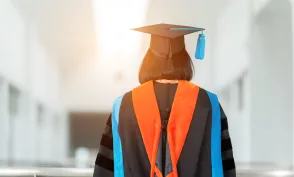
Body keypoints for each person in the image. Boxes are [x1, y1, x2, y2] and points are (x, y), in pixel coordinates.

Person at [93, 23, 236, 177]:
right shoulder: (207, 103)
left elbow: (106, 167)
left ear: (148, 60)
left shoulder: (123, 105)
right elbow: (224, 163)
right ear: (185, 59)